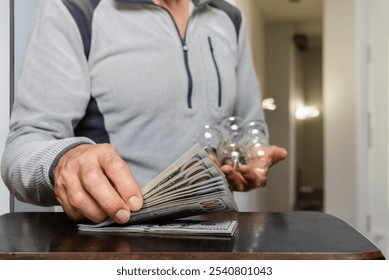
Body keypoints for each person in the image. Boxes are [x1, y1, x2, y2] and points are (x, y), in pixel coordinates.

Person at [1, 0, 287, 225]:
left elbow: (251, 126)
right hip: (115, 246)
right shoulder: (74, 9)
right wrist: (63, 160)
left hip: (216, 239)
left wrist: (250, 160)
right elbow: (22, 148)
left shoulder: (229, 17)